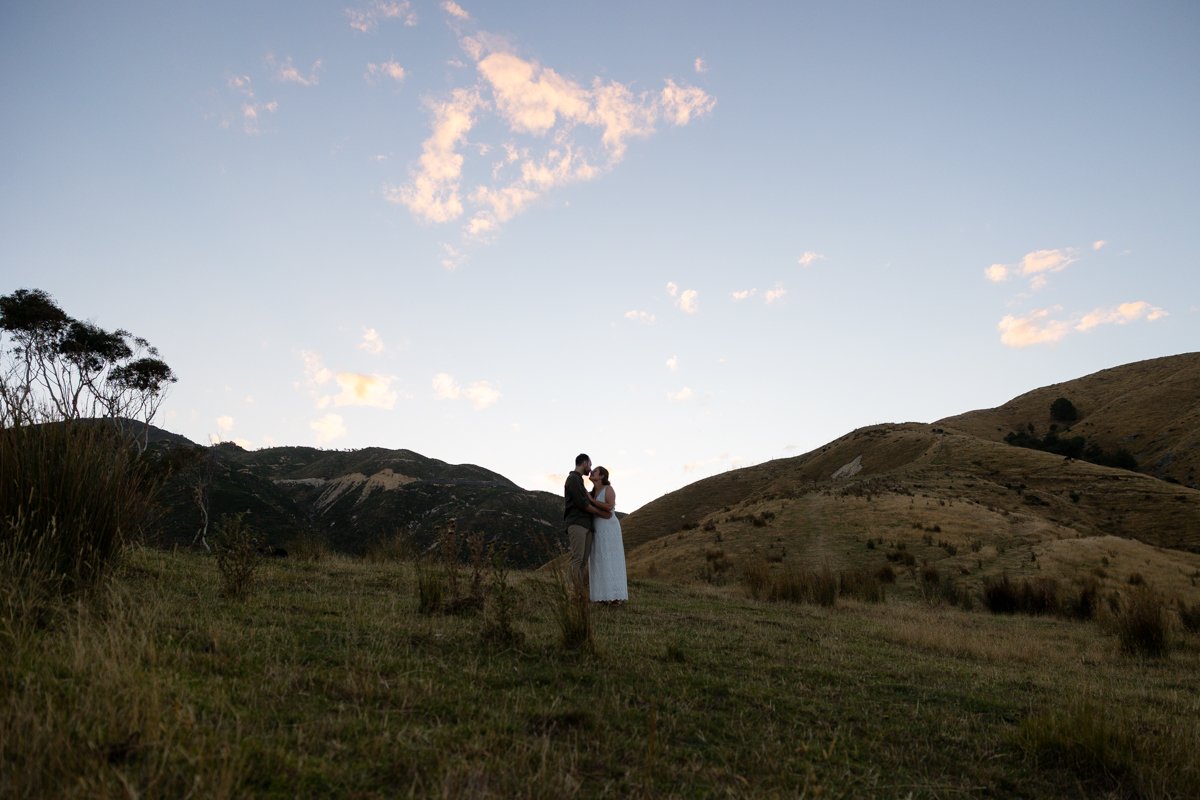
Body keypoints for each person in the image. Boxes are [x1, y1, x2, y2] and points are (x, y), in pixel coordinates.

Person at [563, 453, 608, 590]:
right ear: (584, 463)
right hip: (577, 523)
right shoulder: (573, 479)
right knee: (577, 558)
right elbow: (582, 503)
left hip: (586, 525)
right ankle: (572, 590)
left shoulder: (579, 481)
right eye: (590, 464)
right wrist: (601, 513)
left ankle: (579, 590)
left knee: (583, 560)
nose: (590, 467)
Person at [587, 466, 628, 604]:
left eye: (595, 471)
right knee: (599, 558)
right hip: (597, 528)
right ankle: (602, 596)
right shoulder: (592, 492)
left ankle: (616, 596)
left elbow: (610, 506)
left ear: (602, 476)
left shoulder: (608, 489)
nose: (591, 472)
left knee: (611, 559)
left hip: (609, 528)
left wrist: (592, 501)